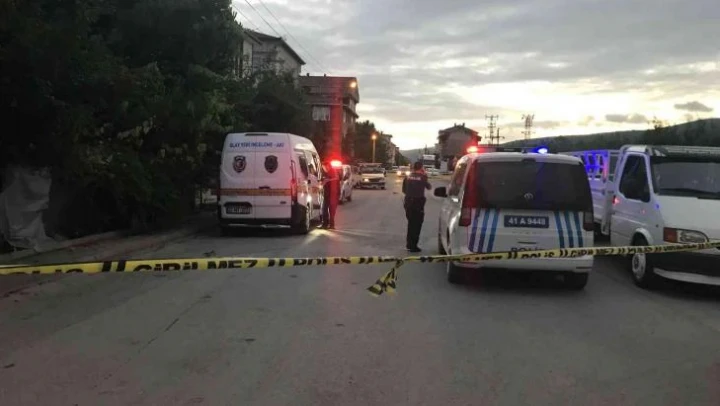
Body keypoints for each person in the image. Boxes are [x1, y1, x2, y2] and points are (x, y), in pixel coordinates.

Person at [402, 161, 431, 252]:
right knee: (417, 225)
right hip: (418, 203)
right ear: (421, 168)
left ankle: (409, 244)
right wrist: (425, 175)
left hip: (408, 203)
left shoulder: (408, 177)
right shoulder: (423, 177)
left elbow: (404, 190)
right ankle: (413, 246)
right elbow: (429, 187)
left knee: (411, 224)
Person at [320, 161, 340, 229]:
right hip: (331, 194)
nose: (323, 169)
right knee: (331, 210)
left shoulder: (332, 172)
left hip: (331, 194)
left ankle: (325, 224)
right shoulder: (329, 173)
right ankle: (331, 225)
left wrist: (326, 180)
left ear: (327, 166)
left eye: (324, 167)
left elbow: (335, 179)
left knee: (325, 209)